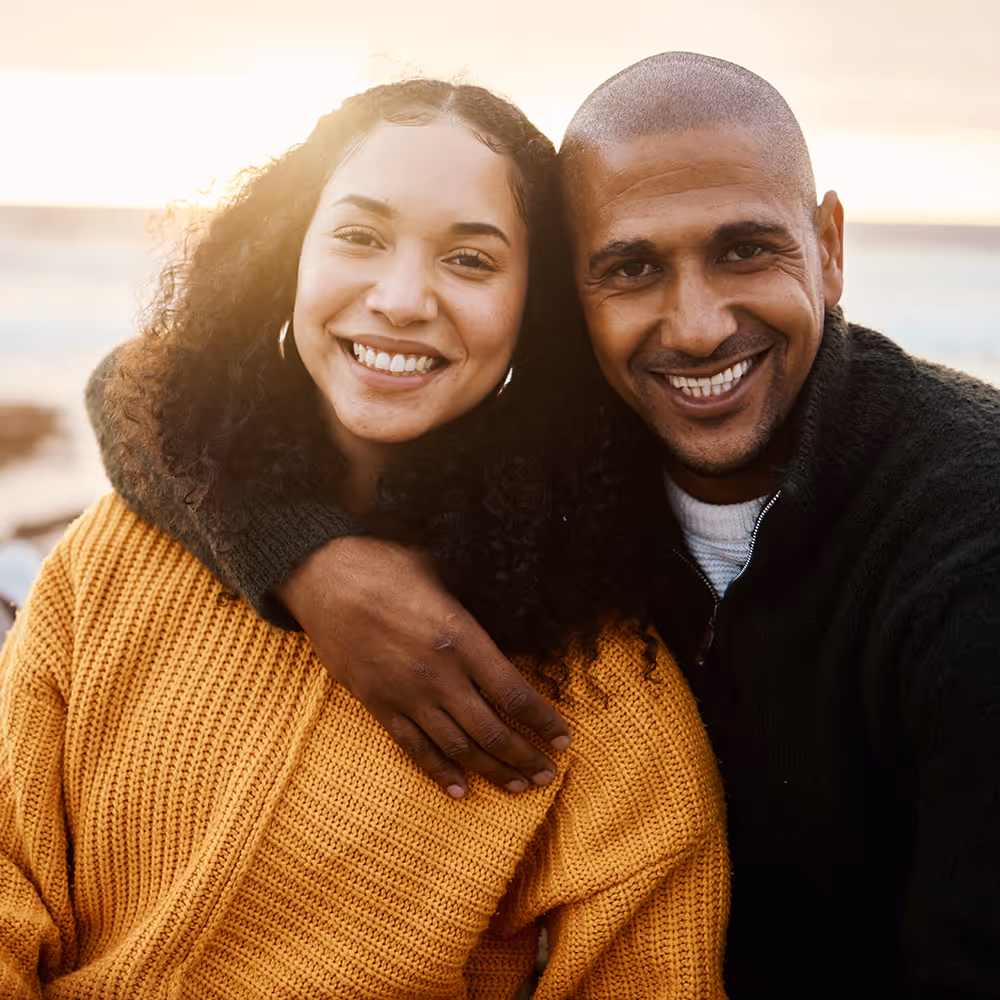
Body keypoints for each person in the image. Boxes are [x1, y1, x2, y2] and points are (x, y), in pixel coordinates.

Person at [89, 52, 1000, 998]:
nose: (692, 327)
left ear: (831, 248)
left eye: (745, 250)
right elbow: (149, 390)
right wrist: (312, 561)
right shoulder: (573, 457)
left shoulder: (966, 531)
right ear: (570, 300)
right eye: (633, 268)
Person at [0, 80, 731, 998]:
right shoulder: (116, 554)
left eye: (470, 259)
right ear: (287, 257)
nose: (399, 298)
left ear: (534, 312)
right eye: (359, 235)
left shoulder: (597, 682)